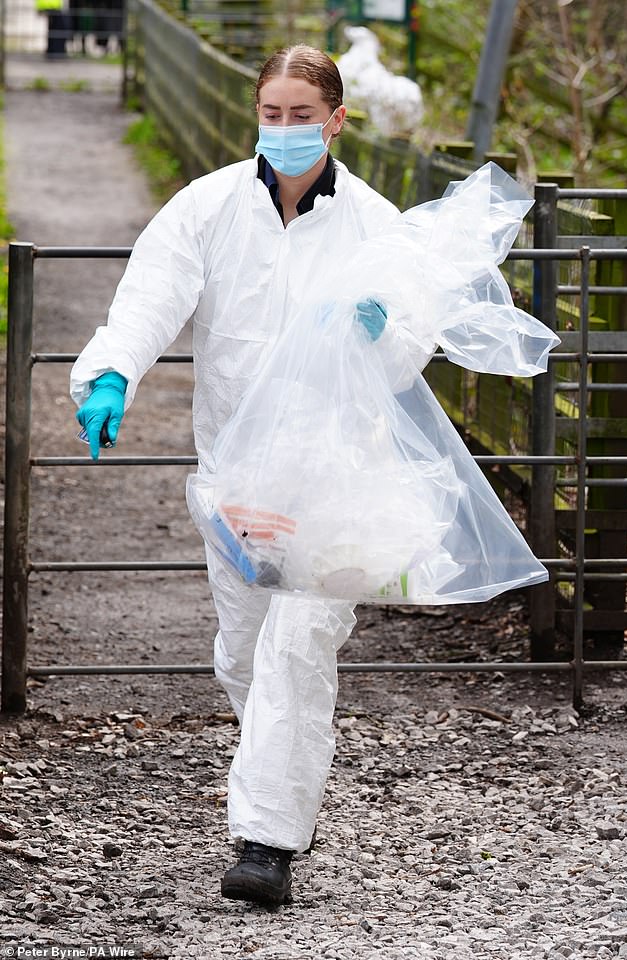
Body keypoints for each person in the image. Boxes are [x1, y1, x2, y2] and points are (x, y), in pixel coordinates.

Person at [70, 45, 404, 907]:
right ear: (258, 114)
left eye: (303, 115)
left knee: (299, 645)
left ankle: (266, 843)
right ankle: (286, 783)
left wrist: (386, 330)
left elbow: (411, 354)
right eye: (273, 113)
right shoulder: (209, 207)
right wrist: (113, 370)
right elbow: (151, 294)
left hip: (332, 479)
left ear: (336, 119)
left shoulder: (373, 223)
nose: (285, 130)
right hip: (237, 478)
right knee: (247, 652)